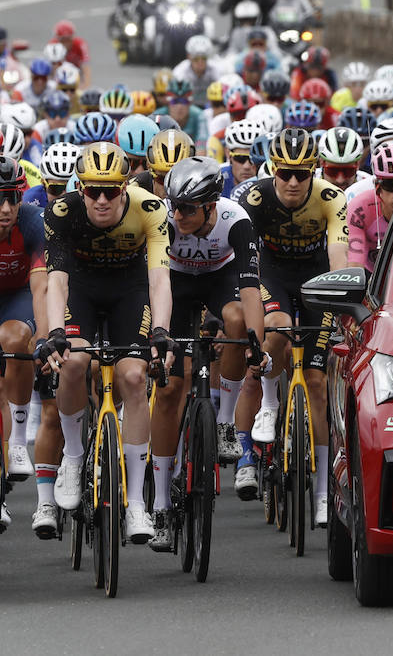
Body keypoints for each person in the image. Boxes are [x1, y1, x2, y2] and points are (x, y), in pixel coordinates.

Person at [34, 141, 174, 545]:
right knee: (74, 364)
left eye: (110, 190)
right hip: (82, 289)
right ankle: (74, 457)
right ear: (79, 188)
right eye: (91, 189)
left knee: (133, 376)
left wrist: (160, 330)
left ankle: (135, 504)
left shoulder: (150, 209)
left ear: (125, 187)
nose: (100, 199)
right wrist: (56, 331)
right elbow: (56, 280)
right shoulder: (60, 211)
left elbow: (159, 278)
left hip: (129, 291)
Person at [149, 156, 267, 548]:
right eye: (175, 205)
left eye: (187, 208)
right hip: (177, 286)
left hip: (220, 280)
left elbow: (251, 289)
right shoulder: (165, 221)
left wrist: (256, 344)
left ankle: (226, 423)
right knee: (170, 391)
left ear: (211, 207)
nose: (178, 214)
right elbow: (155, 283)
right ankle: (162, 505)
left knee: (237, 319)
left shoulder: (237, 220)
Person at [235, 129, 349, 526]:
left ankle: (322, 493)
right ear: (274, 170)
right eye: (285, 173)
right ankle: (268, 407)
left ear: (314, 171)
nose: (294, 182)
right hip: (273, 277)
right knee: (277, 329)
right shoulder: (253, 200)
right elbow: (244, 263)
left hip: (317, 281)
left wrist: (342, 299)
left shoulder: (331, 198)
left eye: (303, 173)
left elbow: (338, 258)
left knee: (317, 381)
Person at [0, 154, 63, 538]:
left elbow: (41, 286)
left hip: (18, 297)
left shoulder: (32, 221)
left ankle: (18, 438)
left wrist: (40, 336)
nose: (7, 209)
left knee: (13, 339)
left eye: (13, 198)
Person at [348, 142, 393, 272]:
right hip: (372, 275)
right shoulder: (360, 209)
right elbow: (354, 264)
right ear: (377, 188)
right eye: (391, 185)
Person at [49, 20, 91, 87]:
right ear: (58, 39)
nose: (66, 44)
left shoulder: (80, 45)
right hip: (59, 75)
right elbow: (52, 69)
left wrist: (85, 87)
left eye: (68, 39)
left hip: (77, 74)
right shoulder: (52, 46)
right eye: (63, 40)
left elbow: (86, 68)